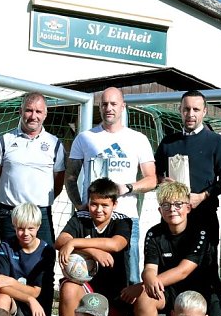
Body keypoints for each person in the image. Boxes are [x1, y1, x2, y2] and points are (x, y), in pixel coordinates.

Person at [121, 182, 221, 316]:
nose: (172, 209)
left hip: (200, 295)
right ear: (160, 210)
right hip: (168, 292)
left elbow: (184, 270)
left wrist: (142, 284)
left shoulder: (200, 231)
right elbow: (149, 269)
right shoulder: (154, 233)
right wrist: (146, 281)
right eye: (166, 205)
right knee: (142, 298)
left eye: (177, 204)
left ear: (188, 207)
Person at [65, 86, 157, 284]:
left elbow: (152, 179)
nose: (109, 108)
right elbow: (70, 177)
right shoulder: (85, 138)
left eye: (114, 104)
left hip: (125, 217)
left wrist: (128, 187)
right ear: (99, 107)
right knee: (86, 276)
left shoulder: (138, 139)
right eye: (104, 104)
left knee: (129, 276)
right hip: (92, 217)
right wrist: (79, 204)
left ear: (122, 106)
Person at [55, 178, 131, 316]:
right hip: (85, 288)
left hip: (113, 295)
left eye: (105, 205)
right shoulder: (81, 217)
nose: (98, 210)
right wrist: (92, 251)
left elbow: (116, 244)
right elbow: (60, 241)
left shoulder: (123, 221)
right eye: (94, 204)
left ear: (114, 204)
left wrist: (75, 243)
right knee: (68, 288)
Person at [155, 90, 221, 244]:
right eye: (186, 109)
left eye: (195, 109)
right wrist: (162, 182)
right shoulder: (168, 142)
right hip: (173, 216)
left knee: (204, 267)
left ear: (204, 111)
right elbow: (155, 173)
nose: (190, 114)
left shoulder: (216, 141)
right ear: (180, 110)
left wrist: (202, 196)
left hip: (204, 216)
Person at [0, 92, 65, 244]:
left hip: (40, 213)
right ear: (20, 111)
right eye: (29, 110)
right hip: (10, 212)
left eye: (38, 111)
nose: (33, 116)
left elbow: (58, 182)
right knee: (11, 262)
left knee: (44, 261)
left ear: (45, 114)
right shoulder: (4, 141)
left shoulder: (55, 144)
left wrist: (40, 203)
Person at [0, 203, 56, 316]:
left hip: (33, 309)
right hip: (15, 301)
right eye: (20, 228)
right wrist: (28, 298)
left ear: (38, 226)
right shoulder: (6, 245)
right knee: (1, 299)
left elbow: (35, 291)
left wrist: (13, 282)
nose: (25, 233)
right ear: (13, 226)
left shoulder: (47, 251)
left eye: (30, 228)